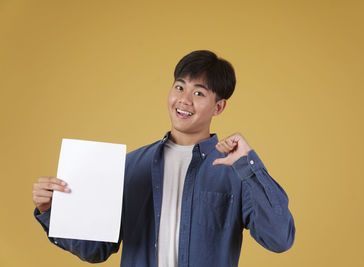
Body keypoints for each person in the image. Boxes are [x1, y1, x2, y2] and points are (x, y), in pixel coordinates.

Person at [32, 50, 295, 267]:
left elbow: (279, 239)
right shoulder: (130, 166)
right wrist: (51, 211)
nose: (184, 100)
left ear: (219, 106)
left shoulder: (236, 171)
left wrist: (248, 167)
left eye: (199, 93)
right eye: (179, 87)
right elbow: (96, 249)